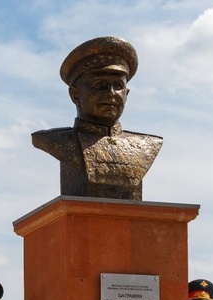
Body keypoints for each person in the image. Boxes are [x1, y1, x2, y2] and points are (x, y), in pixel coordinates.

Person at [31, 36, 161, 200]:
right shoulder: (58, 141)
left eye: (119, 86)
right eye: (100, 85)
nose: (112, 93)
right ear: (75, 95)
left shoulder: (147, 145)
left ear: (127, 94)